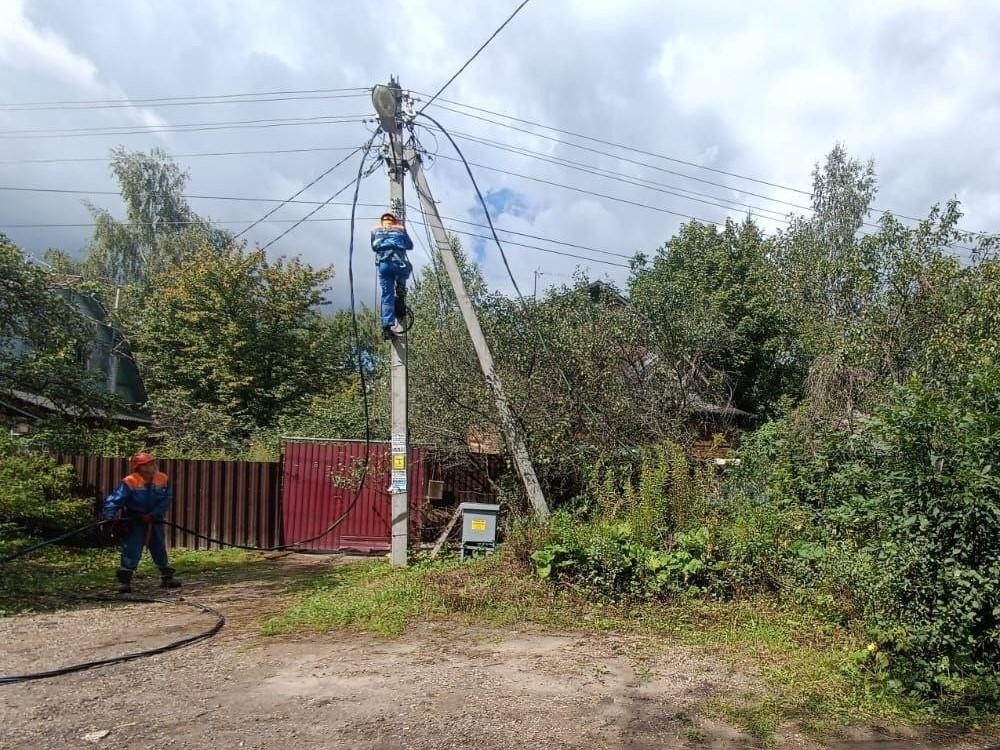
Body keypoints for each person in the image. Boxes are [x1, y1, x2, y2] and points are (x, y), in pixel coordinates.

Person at [101, 452, 181, 593]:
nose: (152, 465)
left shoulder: (162, 479)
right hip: (135, 520)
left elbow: (167, 499)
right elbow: (116, 499)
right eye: (148, 464)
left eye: (152, 462)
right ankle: (125, 582)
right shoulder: (130, 481)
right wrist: (109, 514)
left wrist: (154, 514)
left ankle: (167, 577)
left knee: (159, 547)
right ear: (140, 467)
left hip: (155, 520)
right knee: (131, 549)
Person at [371, 211, 413, 340]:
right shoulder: (400, 228)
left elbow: (373, 248)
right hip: (398, 264)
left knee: (386, 296)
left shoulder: (375, 230)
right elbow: (410, 245)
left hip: (383, 266)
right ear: (393, 220)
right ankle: (400, 288)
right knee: (407, 268)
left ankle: (387, 328)